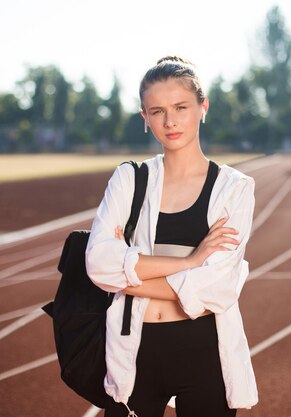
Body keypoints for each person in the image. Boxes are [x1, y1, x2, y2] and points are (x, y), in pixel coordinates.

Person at [85, 56, 258, 417]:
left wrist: (126, 279)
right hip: (134, 349)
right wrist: (189, 263)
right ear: (145, 118)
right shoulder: (128, 180)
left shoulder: (234, 188)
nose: (171, 120)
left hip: (204, 351)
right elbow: (97, 264)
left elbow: (217, 287)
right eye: (157, 110)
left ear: (202, 107)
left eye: (180, 107)